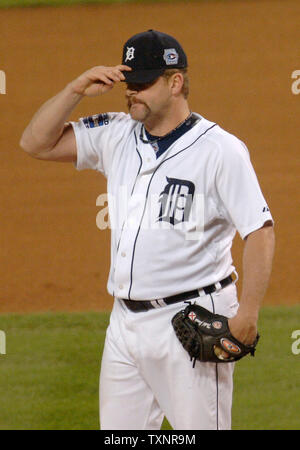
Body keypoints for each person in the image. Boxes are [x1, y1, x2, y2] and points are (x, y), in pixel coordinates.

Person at [20, 30, 275, 430]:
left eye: (143, 83)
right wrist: (75, 89)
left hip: (191, 317)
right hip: (124, 325)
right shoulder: (117, 134)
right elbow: (35, 142)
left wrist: (249, 312)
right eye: (129, 82)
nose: (131, 92)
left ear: (175, 83)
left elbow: (260, 231)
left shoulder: (220, 150)